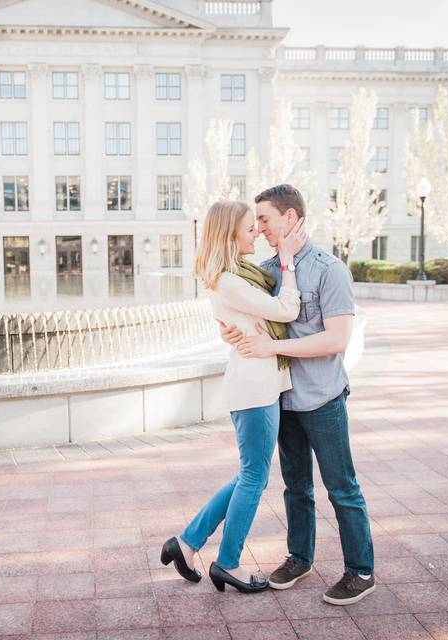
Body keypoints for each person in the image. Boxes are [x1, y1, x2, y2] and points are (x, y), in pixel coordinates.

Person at [222, 184, 376, 605]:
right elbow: (245, 316)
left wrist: (273, 347)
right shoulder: (268, 270)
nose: (260, 228)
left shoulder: (331, 270)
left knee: (341, 487)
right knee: (295, 487)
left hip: (323, 397)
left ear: (290, 218)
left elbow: (337, 339)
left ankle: (360, 570)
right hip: (282, 397)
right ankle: (300, 557)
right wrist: (229, 330)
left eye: (266, 219)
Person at [160, 199, 306, 593]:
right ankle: (228, 563)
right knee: (254, 478)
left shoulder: (239, 273)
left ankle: (187, 543)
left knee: (248, 476)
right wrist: (289, 261)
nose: (256, 232)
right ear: (229, 234)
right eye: (248, 227)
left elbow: (254, 315)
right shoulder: (229, 280)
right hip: (254, 389)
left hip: (258, 384)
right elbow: (286, 309)